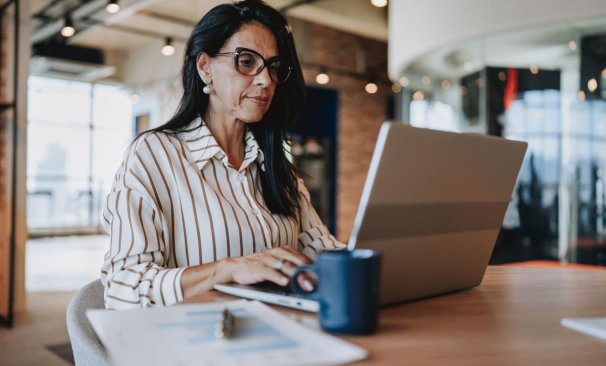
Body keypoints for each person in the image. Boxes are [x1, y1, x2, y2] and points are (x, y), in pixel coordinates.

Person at [101, 0, 343, 310]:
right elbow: (124, 288)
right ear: (205, 68)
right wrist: (229, 269)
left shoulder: (278, 166)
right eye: (245, 61)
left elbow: (325, 251)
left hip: (283, 337)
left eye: (273, 67)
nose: (266, 80)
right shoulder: (154, 155)